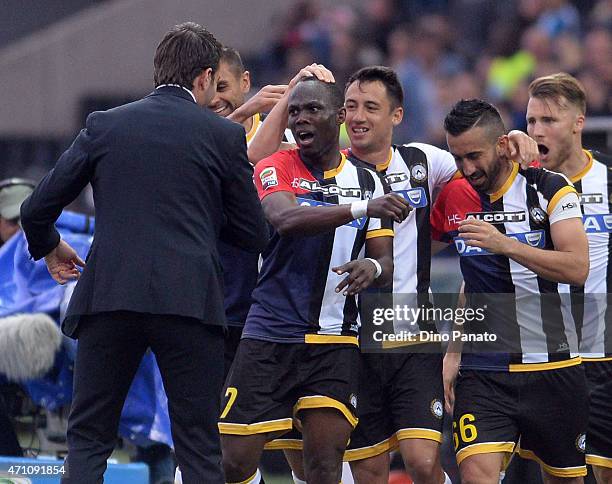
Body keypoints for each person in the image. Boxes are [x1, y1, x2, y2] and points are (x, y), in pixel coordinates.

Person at [249, 65, 538, 484]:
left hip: (413, 335)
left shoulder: (424, 161)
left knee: (422, 461)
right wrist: (295, 88)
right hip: (353, 340)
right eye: (349, 107)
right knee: (368, 470)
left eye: (371, 106)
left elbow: (483, 166)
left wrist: (516, 139)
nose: (358, 116)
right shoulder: (323, 166)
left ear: (397, 116)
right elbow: (259, 157)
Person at [19, 22, 269, 484]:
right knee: (197, 447)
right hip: (191, 303)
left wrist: (50, 245)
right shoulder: (223, 137)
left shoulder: (104, 125)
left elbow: (34, 209)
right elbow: (255, 234)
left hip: (109, 297)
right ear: (204, 77)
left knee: (89, 439)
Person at [218, 77, 411, 484]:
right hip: (270, 332)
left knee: (323, 466)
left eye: (312, 110)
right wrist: (360, 208)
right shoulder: (276, 166)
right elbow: (285, 220)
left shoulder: (368, 180)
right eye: (294, 111)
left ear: (339, 118)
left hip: (335, 340)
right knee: (235, 459)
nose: (301, 119)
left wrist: (372, 269)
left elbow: (384, 261)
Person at [432, 99, 590, 484]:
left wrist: (507, 245)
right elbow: (474, 280)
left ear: (502, 145)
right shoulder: (455, 197)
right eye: (458, 158)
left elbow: (577, 267)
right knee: (476, 475)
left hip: (553, 366)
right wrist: (453, 353)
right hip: (483, 371)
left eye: (474, 156)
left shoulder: (551, 188)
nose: (467, 169)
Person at [526, 72, 612, 484]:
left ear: (579, 122)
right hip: (551, 360)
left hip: (606, 357)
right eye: (531, 122)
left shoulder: (608, 183)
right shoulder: (523, 188)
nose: (538, 130)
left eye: (549, 120)